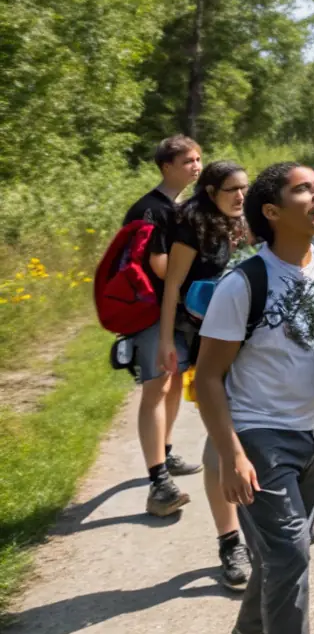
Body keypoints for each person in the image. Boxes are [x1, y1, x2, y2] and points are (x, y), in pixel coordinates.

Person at [195, 163, 314, 634]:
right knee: (289, 553)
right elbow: (206, 379)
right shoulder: (243, 285)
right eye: (303, 190)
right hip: (259, 435)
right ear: (272, 211)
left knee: (286, 551)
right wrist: (231, 454)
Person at [156, 160, 254, 590]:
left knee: (248, 433)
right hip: (204, 343)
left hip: (246, 342)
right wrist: (164, 341)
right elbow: (173, 284)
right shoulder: (193, 224)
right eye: (232, 189)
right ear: (210, 191)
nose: (240, 196)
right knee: (221, 442)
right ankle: (230, 541)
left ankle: (260, 532)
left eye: (245, 189)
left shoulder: (244, 222)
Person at [123, 134, 203, 517]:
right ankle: (158, 484)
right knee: (156, 386)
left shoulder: (178, 206)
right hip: (152, 311)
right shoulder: (149, 210)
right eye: (188, 160)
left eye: (199, 159)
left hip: (175, 311)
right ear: (166, 166)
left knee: (172, 380)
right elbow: (157, 266)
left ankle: (165, 454)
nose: (196, 166)